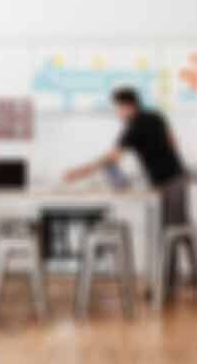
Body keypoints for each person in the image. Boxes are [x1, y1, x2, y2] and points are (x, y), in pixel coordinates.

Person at [64, 86, 190, 294]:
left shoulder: (134, 126)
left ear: (127, 106)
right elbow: (173, 143)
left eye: (118, 108)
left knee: (168, 234)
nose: (117, 113)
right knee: (173, 232)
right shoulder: (155, 116)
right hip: (177, 178)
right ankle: (173, 282)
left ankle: (165, 287)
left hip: (169, 182)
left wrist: (79, 172)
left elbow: (112, 158)